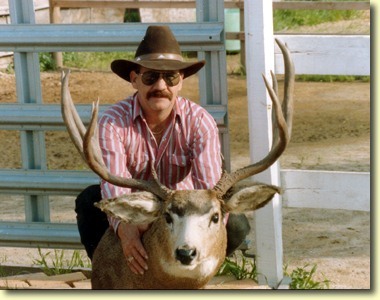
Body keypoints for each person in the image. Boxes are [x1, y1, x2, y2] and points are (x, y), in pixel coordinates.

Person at [75, 25, 250, 276]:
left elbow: (209, 191)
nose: (161, 85)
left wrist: (205, 234)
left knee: (236, 226)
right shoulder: (114, 121)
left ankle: (194, 275)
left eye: (170, 78)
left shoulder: (200, 122)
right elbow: (114, 185)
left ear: (181, 81)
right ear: (134, 79)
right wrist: (125, 228)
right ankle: (115, 273)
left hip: (184, 214)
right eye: (150, 77)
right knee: (90, 203)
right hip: (139, 212)